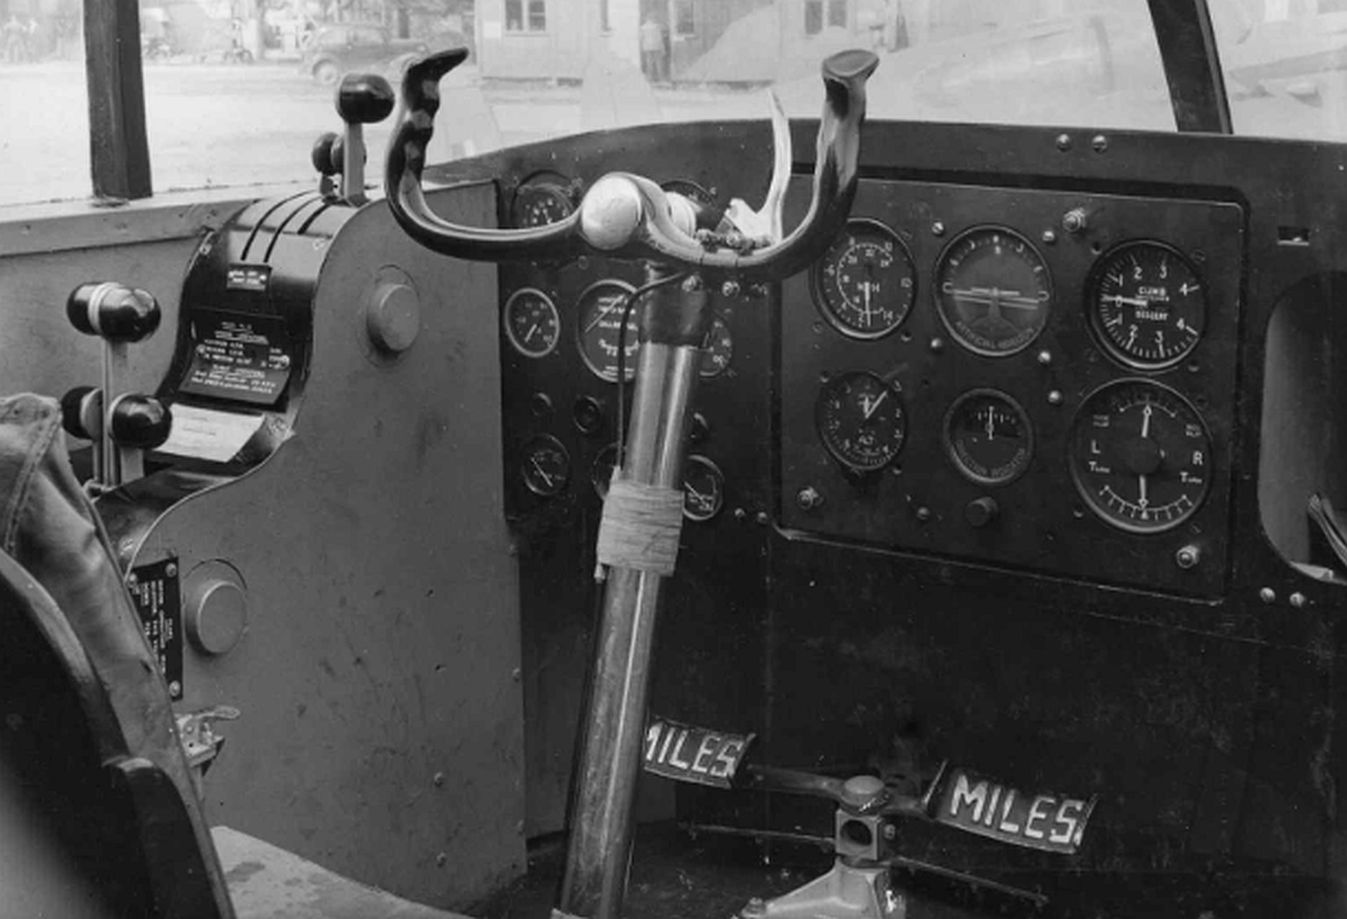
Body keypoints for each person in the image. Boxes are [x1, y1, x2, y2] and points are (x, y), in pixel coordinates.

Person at [640, 16, 668, 84]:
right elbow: (659, 38)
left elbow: (641, 38)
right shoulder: (657, 27)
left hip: (647, 47)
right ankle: (661, 78)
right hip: (656, 47)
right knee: (659, 63)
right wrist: (663, 48)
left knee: (649, 63)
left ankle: (650, 79)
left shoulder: (643, 27)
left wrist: (642, 48)